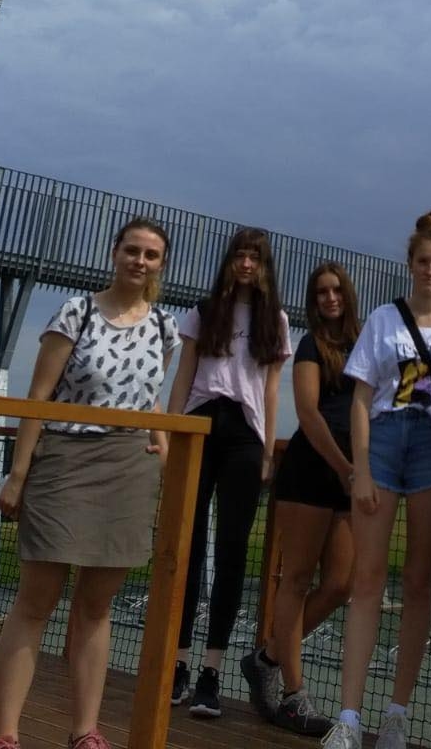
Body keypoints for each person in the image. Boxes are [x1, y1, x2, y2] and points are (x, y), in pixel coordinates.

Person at [0, 219, 177, 749]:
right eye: (132, 250)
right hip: (65, 459)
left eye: (151, 255)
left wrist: (161, 441)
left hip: (128, 467)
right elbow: (39, 396)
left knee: (96, 605)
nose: (140, 261)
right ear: (115, 253)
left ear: (161, 264)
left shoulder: (165, 326)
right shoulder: (77, 312)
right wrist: (18, 474)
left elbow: (148, 394)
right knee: (37, 599)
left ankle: (84, 732)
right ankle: (5, 735)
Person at [321, 213, 431, 749]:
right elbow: (360, 397)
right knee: (367, 579)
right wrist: (360, 469)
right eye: (422, 261)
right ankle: (349, 717)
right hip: (383, 438)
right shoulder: (383, 319)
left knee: (419, 580)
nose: (430, 270)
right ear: (410, 264)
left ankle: (398, 713)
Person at [169, 226, 291, 719]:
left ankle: (211, 672)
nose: (246, 263)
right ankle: (177, 662)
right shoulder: (204, 310)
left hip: (245, 432)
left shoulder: (275, 320)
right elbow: (183, 373)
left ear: (264, 266)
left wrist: (267, 450)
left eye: (254, 257)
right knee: (188, 544)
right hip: (199, 422)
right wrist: (170, 431)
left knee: (232, 551)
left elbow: (272, 388)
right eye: (240, 254)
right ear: (230, 260)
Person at [240, 263, 361, 735]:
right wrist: (344, 467)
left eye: (337, 290)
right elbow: (309, 413)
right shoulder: (312, 345)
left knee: (340, 584)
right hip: (313, 470)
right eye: (322, 292)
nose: (330, 298)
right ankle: (294, 695)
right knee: (295, 580)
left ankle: (267, 656)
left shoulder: (364, 344)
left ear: (347, 295)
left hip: (351, 476)